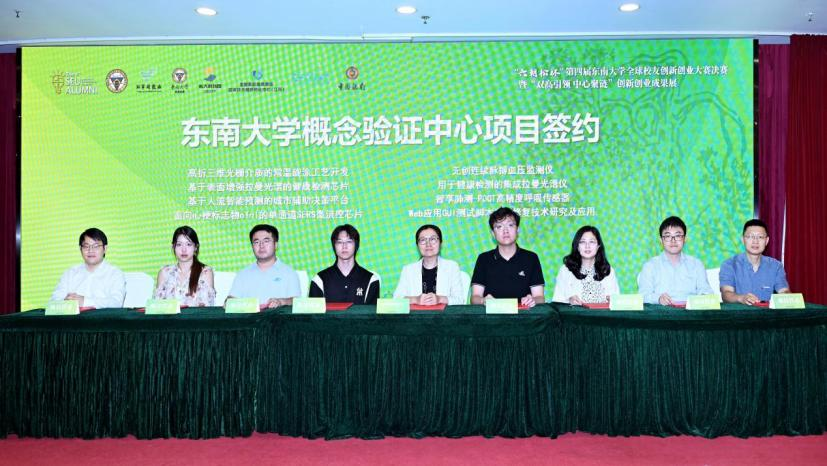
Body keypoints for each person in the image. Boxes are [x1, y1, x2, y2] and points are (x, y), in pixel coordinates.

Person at [470, 207, 545, 307]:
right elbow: (475, 297)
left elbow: (540, 297)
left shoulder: (531, 258)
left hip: (523, 314)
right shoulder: (483, 259)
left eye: (510, 225)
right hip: (492, 314)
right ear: (493, 233)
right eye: (499, 226)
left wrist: (532, 300)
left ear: (518, 229)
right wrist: (482, 300)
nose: (505, 230)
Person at [638, 216, 713, 305]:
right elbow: (643, 295)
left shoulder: (696, 264)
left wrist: (703, 296)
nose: (673, 241)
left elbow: (706, 291)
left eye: (678, 236)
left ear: (685, 239)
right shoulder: (650, 266)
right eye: (667, 236)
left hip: (690, 311)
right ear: (661, 240)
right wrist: (658, 298)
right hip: (661, 312)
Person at [227, 224, 300, 308]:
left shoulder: (289, 273)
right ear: (252, 246)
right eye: (256, 242)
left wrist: (281, 301)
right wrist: (228, 301)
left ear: (276, 245)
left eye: (266, 241)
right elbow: (232, 298)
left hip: (278, 316)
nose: (261, 246)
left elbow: (296, 301)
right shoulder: (242, 274)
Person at [50, 228, 126, 308]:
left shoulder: (115, 273)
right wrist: (66, 301)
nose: (90, 250)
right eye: (86, 246)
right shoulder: (70, 273)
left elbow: (116, 302)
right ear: (80, 249)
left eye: (96, 246)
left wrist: (84, 301)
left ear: (105, 249)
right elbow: (54, 301)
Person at [719, 219, 790, 305]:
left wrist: (786, 296)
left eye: (760, 237)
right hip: (739, 313)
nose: (755, 241)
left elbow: (784, 290)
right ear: (743, 240)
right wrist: (741, 298)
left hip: (766, 313)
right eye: (750, 236)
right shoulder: (729, 265)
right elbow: (726, 293)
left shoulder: (776, 266)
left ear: (767, 241)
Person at [393, 224, 467, 305]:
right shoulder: (408, 270)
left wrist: (439, 299)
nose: (428, 244)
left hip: (443, 313)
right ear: (417, 245)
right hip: (416, 313)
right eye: (423, 240)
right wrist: (416, 299)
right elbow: (397, 298)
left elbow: (460, 300)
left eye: (433, 239)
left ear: (440, 243)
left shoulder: (452, 267)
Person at [310, 224, 380, 304]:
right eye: (339, 242)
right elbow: (313, 311)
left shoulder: (371, 280)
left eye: (349, 241)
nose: (344, 246)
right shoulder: (319, 280)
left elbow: (372, 312)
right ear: (334, 246)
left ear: (356, 245)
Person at [552, 225, 620, 304]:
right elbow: (557, 302)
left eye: (592, 242)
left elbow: (616, 302)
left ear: (598, 246)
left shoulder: (607, 270)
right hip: (575, 312)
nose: (587, 246)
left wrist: (613, 301)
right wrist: (569, 300)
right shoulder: (566, 270)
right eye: (582, 242)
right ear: (577, 246)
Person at [153, 226, 215, 306]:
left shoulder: (205, 272)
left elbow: (207, 307)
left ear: (196, 247)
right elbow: (157, 306)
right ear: (173, 247)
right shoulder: (164, 272)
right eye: (179, 244)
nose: (184, 249)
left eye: (188, 244)